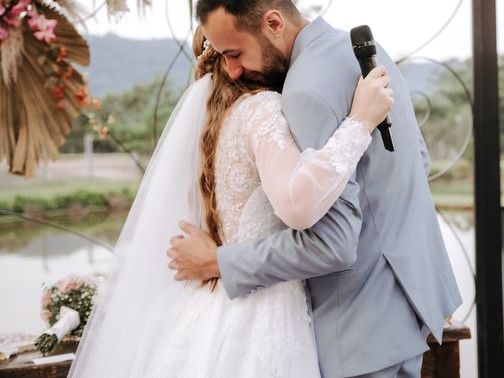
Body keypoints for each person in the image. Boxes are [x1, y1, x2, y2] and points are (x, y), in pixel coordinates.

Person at [169, 0, 461, 378]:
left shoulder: (304, 91)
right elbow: (416, 160)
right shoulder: (363, 50)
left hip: (357, 332)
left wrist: (221, 261)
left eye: (234, 52)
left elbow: (333, 244)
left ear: (273, 22)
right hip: (408, 307)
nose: (231, 69)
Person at [67, 21, 394, 375]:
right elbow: (300, 198)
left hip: (204, 306)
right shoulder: (263, 110)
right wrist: (359, 122)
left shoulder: (208, 119)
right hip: (264, 311)